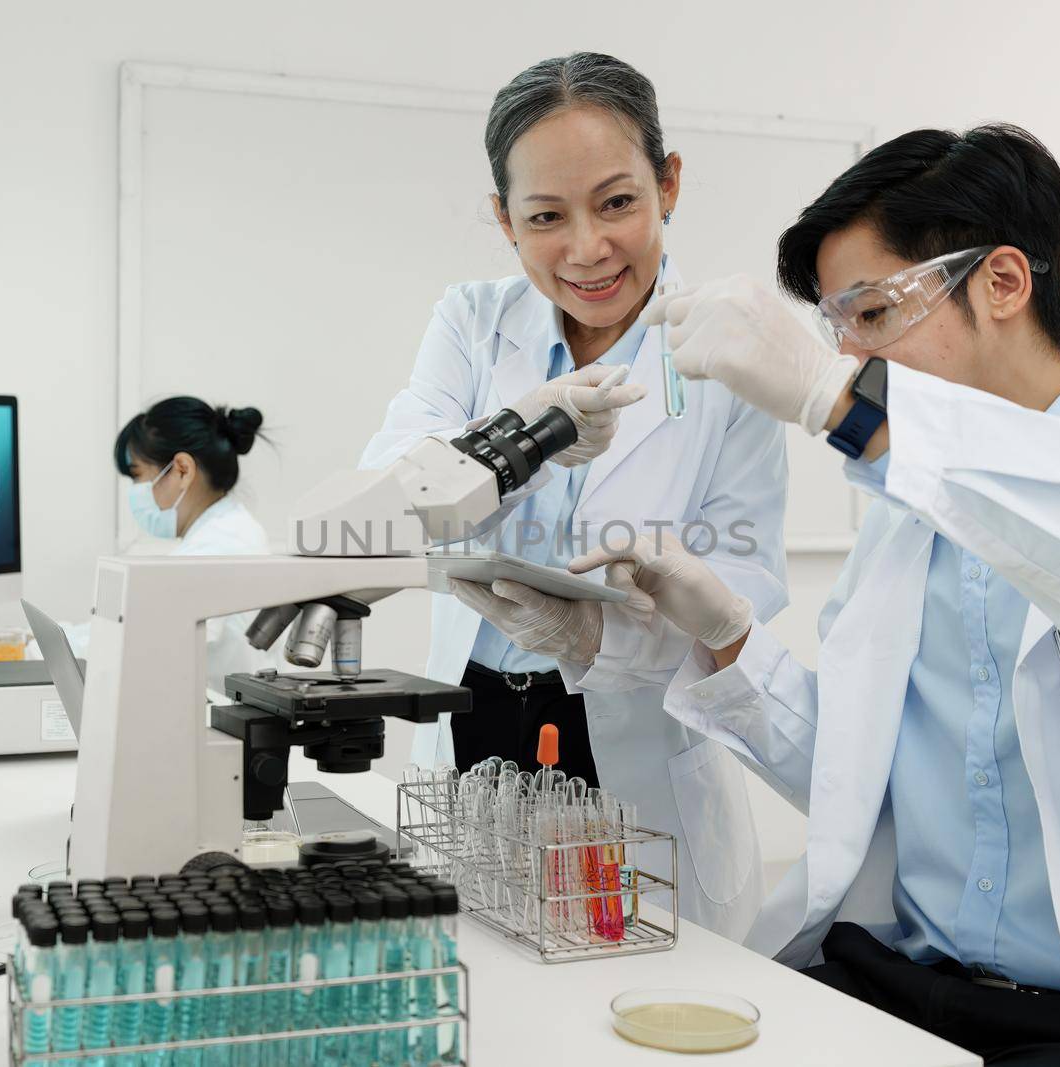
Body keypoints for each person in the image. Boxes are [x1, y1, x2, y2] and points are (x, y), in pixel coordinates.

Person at [549, 124, 1060, 1065]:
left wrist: (844, 402)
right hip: (902, 980)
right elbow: (860, 776)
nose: (849, 351)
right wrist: (721, 635)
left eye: (871, 314)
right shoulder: (905, 511)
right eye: (835, 329)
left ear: (1002, 281)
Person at [360, 52, 788, 941]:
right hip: (471, 715)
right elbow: (390, 490)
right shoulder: (473, 323)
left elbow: (748, 574)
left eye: (618, 202)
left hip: (631, 731)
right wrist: (517, 434)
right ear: (504, 220)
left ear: (668, 184)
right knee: (483, 970)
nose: (587, 248)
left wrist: (606, 636)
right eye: (546, 216)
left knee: (634, 975)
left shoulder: (727, 350)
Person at [61, 396, 276, 690]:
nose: (135, 491)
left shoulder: (219, 547)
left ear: (182, 470)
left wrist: (45, 649)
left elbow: (147, 641)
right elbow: (137, 628)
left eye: (137, 475)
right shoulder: (220, 532)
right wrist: (58, 639)